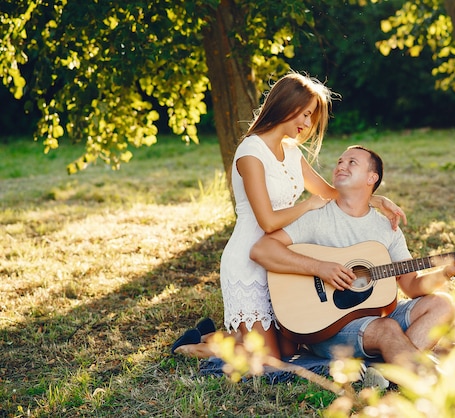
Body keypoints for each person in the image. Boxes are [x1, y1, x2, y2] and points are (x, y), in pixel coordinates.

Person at [171, 73, 406, 359]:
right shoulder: (251, 152)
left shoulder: (291, 153)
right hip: (248, 262)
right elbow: (267, 221)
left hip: (285, 262)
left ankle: (213, 334)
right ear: (287, 105)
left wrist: (376, 199)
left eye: (311, 118)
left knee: (289, 346)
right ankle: (194, 347)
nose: (307, 125)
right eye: (306, 115)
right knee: (269, 358)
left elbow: (330, 193)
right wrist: (306, 206)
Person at [249, 145, 455, 367]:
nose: (341, 166)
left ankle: (394, 366)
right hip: (327, 330)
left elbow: (412, 286)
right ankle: (422, 378)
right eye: (340, 161)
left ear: (371, 178)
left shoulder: (388, 229)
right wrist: (319, 267)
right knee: (386, 329)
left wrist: (447, 272)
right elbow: (262, 250)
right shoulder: (317, 216)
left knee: (443, 305)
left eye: (352, 162)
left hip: (375, 321)